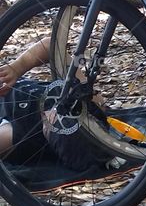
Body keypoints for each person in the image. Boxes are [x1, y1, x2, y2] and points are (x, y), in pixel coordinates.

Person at [0, 38, 113, 173]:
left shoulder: (23, 136)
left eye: (54, 125)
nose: (53, 112)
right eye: (64, 116)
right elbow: (51, 46)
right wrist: (17, 67)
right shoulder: (91, 99)